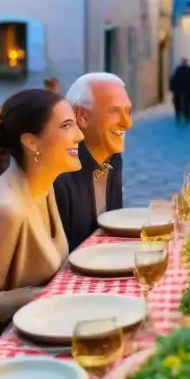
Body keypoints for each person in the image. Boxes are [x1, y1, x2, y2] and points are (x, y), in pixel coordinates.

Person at [0, 89, 83, 333]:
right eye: (66, 126)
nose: (80, 136)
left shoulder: (44, 187)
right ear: (31, 142)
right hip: (5, 345)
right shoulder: (3, 210)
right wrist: (47, 295)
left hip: (45, 327)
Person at [54, 73, 131, 251]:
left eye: (128, 111)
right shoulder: (59, 172)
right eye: (114, 111)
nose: (127, 123)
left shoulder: (113, 158)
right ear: (83, 116)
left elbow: (112, 227)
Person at [170, 58, 190, 125]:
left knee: (178, 104)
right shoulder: (188, 70)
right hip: (186, 90)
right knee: (187, 104)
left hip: (178, 90)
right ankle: (187, 117)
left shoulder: (178, 70)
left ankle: (178, 116)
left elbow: (173, 79)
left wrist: (173, 89)